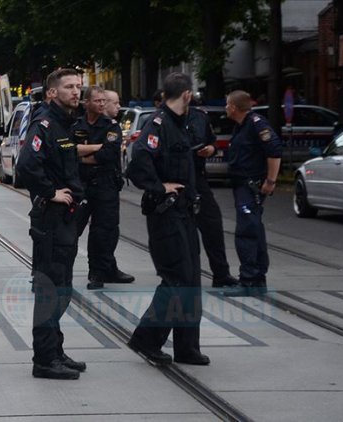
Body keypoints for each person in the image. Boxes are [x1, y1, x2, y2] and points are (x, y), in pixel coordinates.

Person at [125, 72, 209, 366]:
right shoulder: (158, 124)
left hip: (185, 212)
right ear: (186, 95)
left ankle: (187, 347)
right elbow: (138, 164)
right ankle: (146, 339)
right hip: (166, 213)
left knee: (191, 281)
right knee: (177, 278)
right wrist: (160, 187)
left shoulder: (182, 124)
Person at [16, 68, 86, 380]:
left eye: (79, 86)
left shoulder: (67, 123)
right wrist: (50, 192)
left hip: (66, 222)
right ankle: (44, 359)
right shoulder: (44, 123)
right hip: (50, 220)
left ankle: (55, 350)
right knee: (50, 290)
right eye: (69, 87)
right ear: (52, 92)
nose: (76, 92)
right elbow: (26, 166)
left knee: (63, 290)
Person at [72, 87, 135, 289]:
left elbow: (108, 154)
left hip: (106, 185)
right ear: (86, 102)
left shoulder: (111, 127)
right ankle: (58, 273)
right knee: (71, 229)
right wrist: (94, 149)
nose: (101, 104)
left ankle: (98, 273)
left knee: (104, 232)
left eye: (103, 101)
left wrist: (83, 153)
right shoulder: (75, 124)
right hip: (80, 185)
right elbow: (68, 152)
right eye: (97, 101)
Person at [222, 90, 282, 297]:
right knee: (255, 230)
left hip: (251, 187)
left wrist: (271, 181)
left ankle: (248, 280)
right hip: (243, 186)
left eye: (227, 104)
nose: (225, 107)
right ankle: (257, 280)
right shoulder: (242, 125)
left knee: (247, 232)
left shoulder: (256, 123)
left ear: (233, 107)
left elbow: (274, 151)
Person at [187, 106, 239, 288]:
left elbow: (212, 142)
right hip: (175, 179)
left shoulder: (200, 117)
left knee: (212, 224)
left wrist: (210, 149)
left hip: (199, 178)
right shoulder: (162, 119)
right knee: (182, 231)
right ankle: (184, 274)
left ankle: (221, 274)